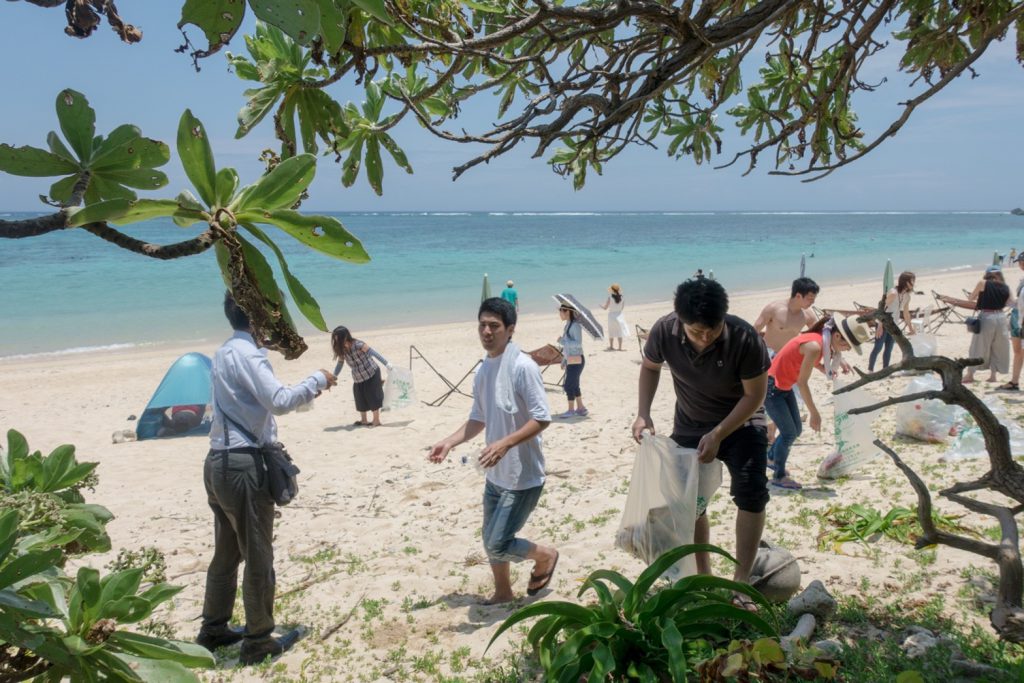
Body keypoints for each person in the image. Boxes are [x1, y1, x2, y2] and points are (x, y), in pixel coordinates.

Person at [197, 293, 337, 664]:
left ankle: (214, 628)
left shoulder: (225, 352)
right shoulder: (248, 354)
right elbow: (279, 400)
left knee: (227, 552)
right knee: (258, 554)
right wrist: (317, 379)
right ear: (257, 319)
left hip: (218, 463)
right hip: (243, 465)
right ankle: (258, 640)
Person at [632, 278, 769, 610]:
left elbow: (755, 396)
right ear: (680, 321)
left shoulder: (745, 338)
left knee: (751, 495)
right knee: (691, 501)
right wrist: (643, 413)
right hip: (691, 423)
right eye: (696, 332)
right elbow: (650, 368)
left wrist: (720, 432)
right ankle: (704, 576)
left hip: (742, 422)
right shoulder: (664, 331)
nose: (705, 338)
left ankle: (741, 583)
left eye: (713, 330)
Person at [427, 297, 559, 604]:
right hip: (494, 472)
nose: (487, 331)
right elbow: (478, 418)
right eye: (482, 325)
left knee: (498, 543)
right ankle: (503, 592)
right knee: (490, 540)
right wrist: (449, 441)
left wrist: (505, 442)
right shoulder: (485, 369)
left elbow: (542, 418)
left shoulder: (523, 366)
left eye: (494, 326)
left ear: (510, 330)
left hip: (523, 475)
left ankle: (546, 556)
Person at [764, 315, 872, 490]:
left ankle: (771, 457)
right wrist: (814, 413)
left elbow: (807, 361)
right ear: (837, 336)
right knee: (789, 433)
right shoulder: (815, 345)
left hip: (783, 386)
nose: (847, 350)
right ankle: (779, 476)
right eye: (847, 345)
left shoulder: (820, 342)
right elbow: (802, 383)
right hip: (772, 388)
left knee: (796, 429)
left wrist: (824, 368)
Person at [331, 326, 390, 427]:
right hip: (358, 377)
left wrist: (387, 364)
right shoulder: (341, 349)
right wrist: (334, 375)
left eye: (338, 339)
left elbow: (374, 353)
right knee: (360, 397)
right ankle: (364, 420)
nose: (336, 341)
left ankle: (376, 421)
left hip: (371, 372)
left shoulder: (359, 344)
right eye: (335, 339)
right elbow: (340, 363)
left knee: (373, 396)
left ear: (345, 337)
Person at [964, 265, 1011, 384]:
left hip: (987, 316)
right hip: (1001, 317)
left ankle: (970, 375)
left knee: (978, 346)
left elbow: (970, 298)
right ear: (1000, 275)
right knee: (998, 347)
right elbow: (1011, 302)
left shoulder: (983, 283)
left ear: (987, 274)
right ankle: (993, 376)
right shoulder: (1006, 287)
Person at [752, 277, 820, 356]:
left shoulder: (808, 315)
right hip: (769, 352)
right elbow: (754, 331)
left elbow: (819, 334)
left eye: (814, 299)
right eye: (810, 299)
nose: (813, 302)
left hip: (790, 354)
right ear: (798, 296)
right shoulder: (774, 309)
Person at [868, 271, 916, 372]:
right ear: (905, 282)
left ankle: (885, 370)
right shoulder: (893, 293)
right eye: (912, 281)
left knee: (889, 349)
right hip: (883, 323)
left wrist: (910, 328)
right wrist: (880, 326)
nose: (913, 283)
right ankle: (870, 370)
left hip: (894, 325)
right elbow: (882, 307)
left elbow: (906, 314)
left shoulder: (907, 296)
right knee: (878, 347)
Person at [556, 303, 588, 418]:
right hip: (571, 359)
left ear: (567, 312)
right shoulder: (568, 324)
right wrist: (564, 360)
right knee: (574, 385)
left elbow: (578, 344)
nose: (559, 314)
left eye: (561, 311)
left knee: (569, 385)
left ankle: (571, 410)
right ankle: (581, 408)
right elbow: (568, 347)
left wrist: (563, 341)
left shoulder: (575, 326)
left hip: (577, 360)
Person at [998, 254, 1024, 391]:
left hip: (1022, 320)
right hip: (1016, 317)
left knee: (1021, 350)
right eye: (1020, 262)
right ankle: (1014, 382)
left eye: (1021, 262)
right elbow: (1019, 303)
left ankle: (1014, 382)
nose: (1020, 264)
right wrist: (1009, 301)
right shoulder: (1022, 280)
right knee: (1017, 351)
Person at [600, 283, 630, 351]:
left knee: (611, 332)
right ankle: (620, 347)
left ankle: (611, 346)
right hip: (620, 315)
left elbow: (605, 308)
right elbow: (622, 308)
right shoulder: (622, 297)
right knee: (620, 332)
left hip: (611, 316)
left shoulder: (610, 297)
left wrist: (601, 306)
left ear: (612, 290)